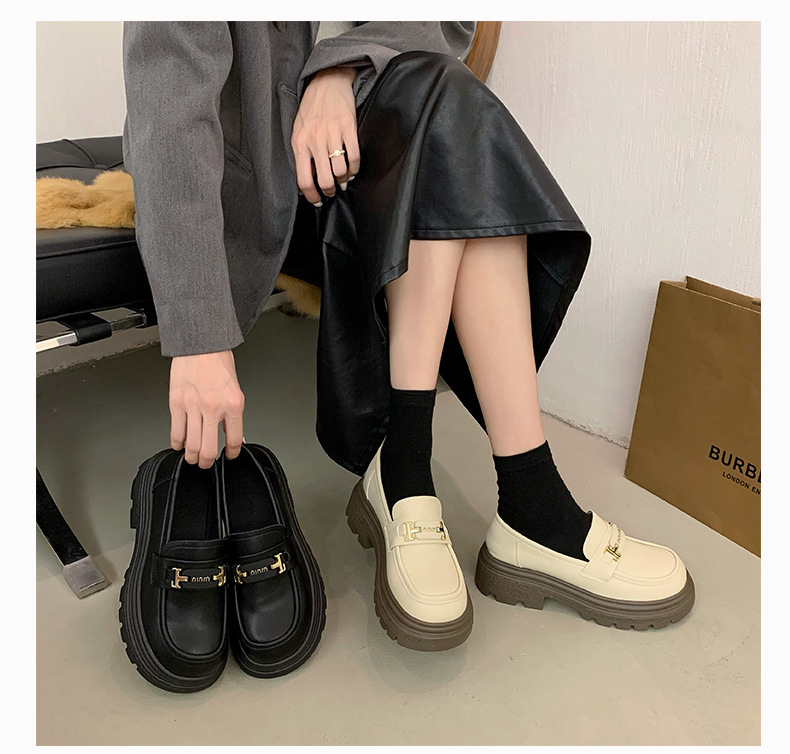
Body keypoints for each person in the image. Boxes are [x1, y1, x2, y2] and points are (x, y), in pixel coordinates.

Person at [123, 21, 695, 653]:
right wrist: (200, 340)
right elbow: (169, 99)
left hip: (370, 162)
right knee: (446, 120)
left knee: (443, 99)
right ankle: (506, 498)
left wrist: (337, 68)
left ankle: (428, 480)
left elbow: (444, 20)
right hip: (261, 193)